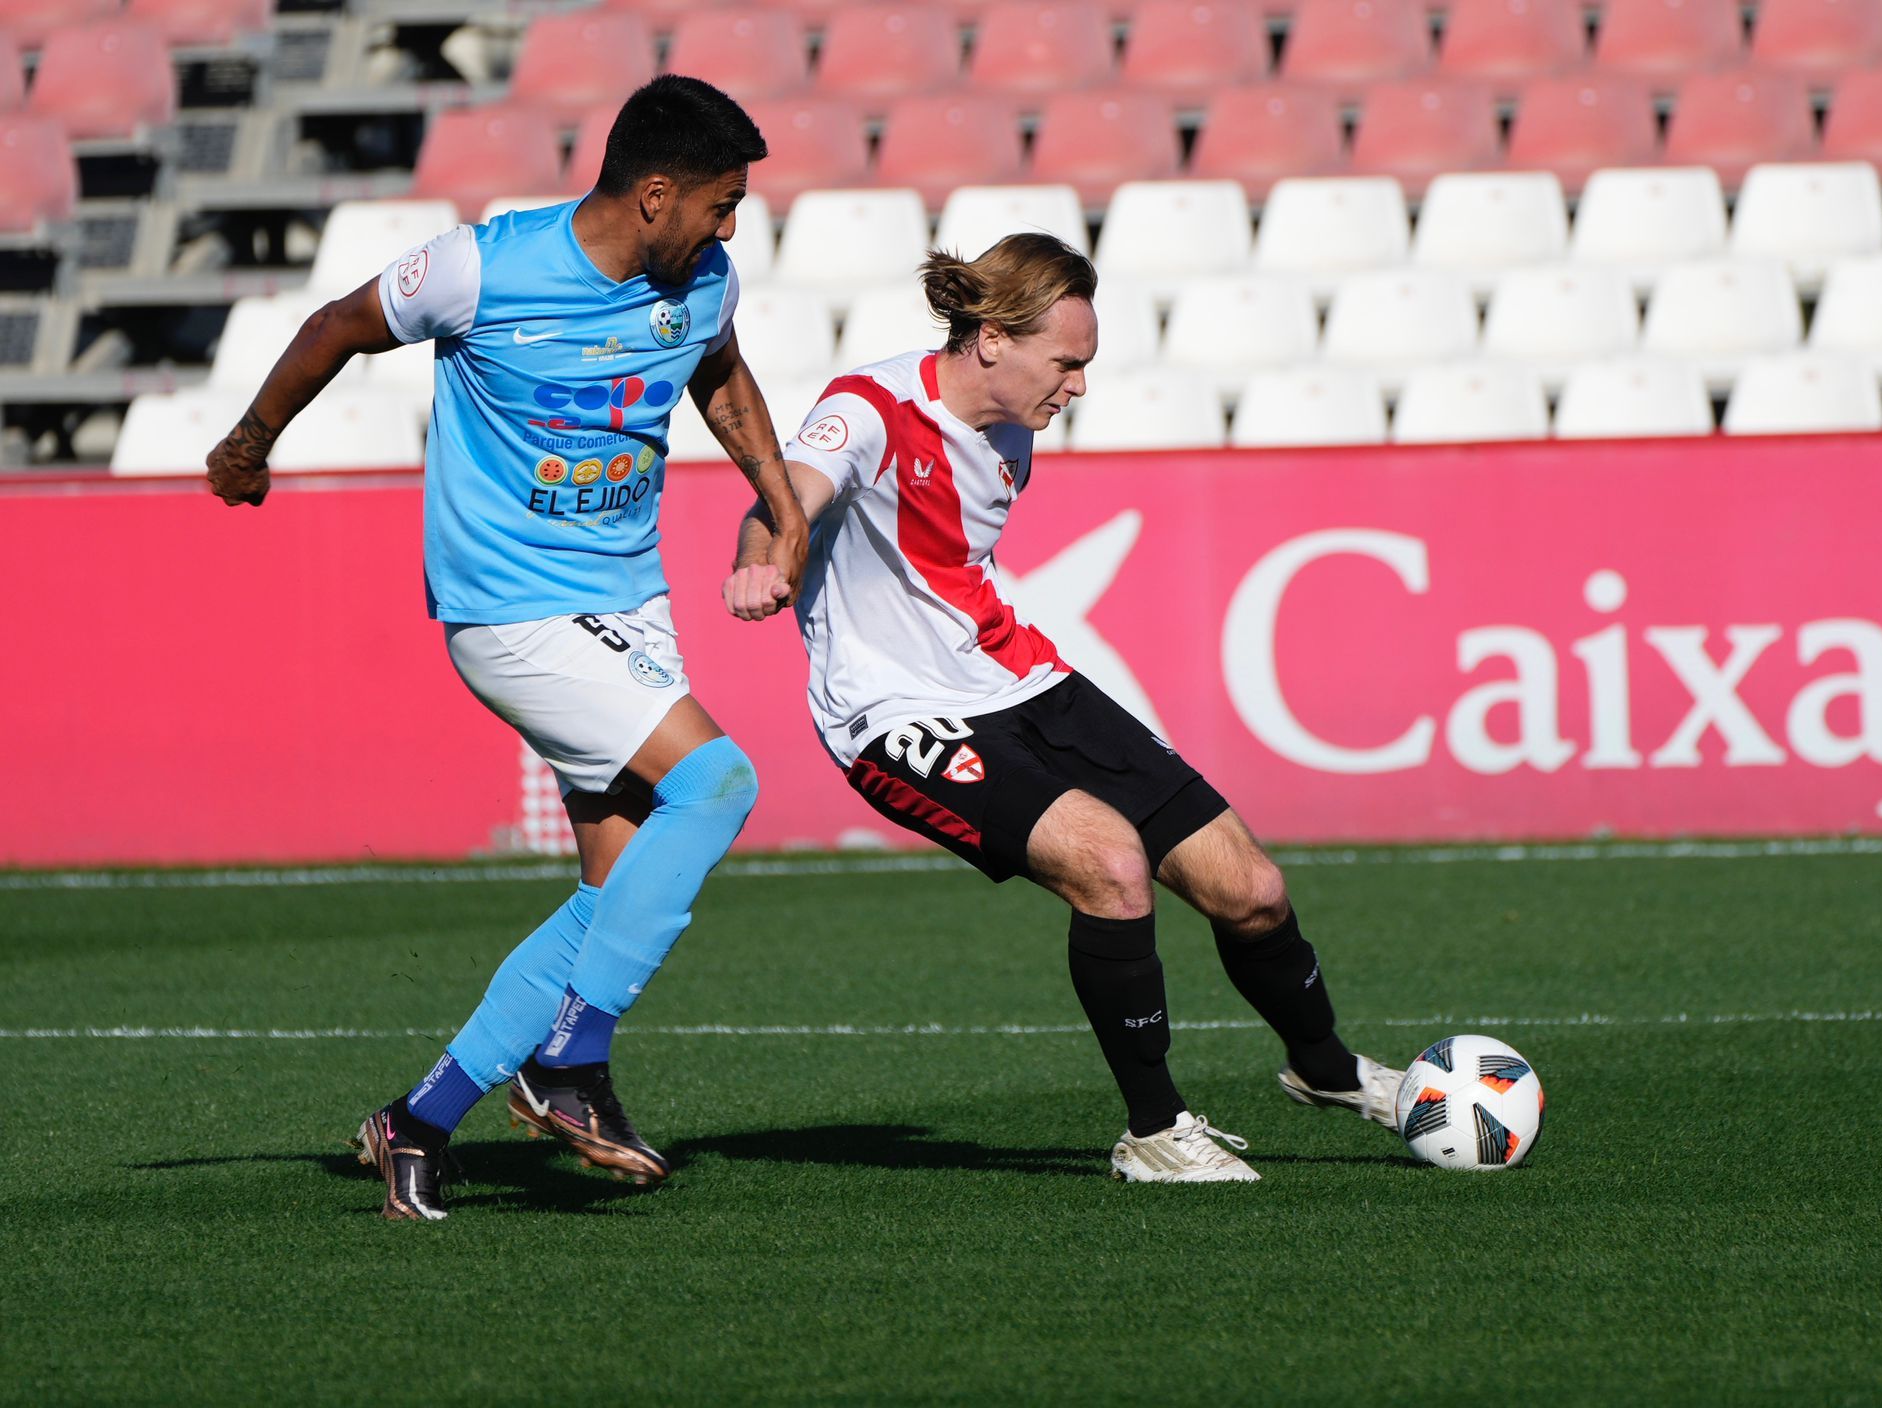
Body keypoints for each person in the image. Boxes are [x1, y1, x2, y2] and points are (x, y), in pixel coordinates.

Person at [205, 76, 809, 1220]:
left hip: (629, 606)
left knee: (615, 889)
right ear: (655, 193)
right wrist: (248, 445)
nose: (731, 228)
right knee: (719, 783)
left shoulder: (700, 279)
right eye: (721, 204)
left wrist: (775, 496)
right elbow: (335, 325)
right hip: (513, 611)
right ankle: (571, 1062)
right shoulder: (481, 267)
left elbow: (718, 372)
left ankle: (418, 1122)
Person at [723, 233, 1401, 1183]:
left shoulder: (1014, 435)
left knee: (1252, 890)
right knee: (1111, 867)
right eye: (1066, 363)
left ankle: (1326, 1069)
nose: (1076, 388)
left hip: (1023, 681)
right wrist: (763, 558)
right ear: (992, 339)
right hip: (894, 716)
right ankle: (1156, 1132)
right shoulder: (870, 407)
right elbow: (787, 494)